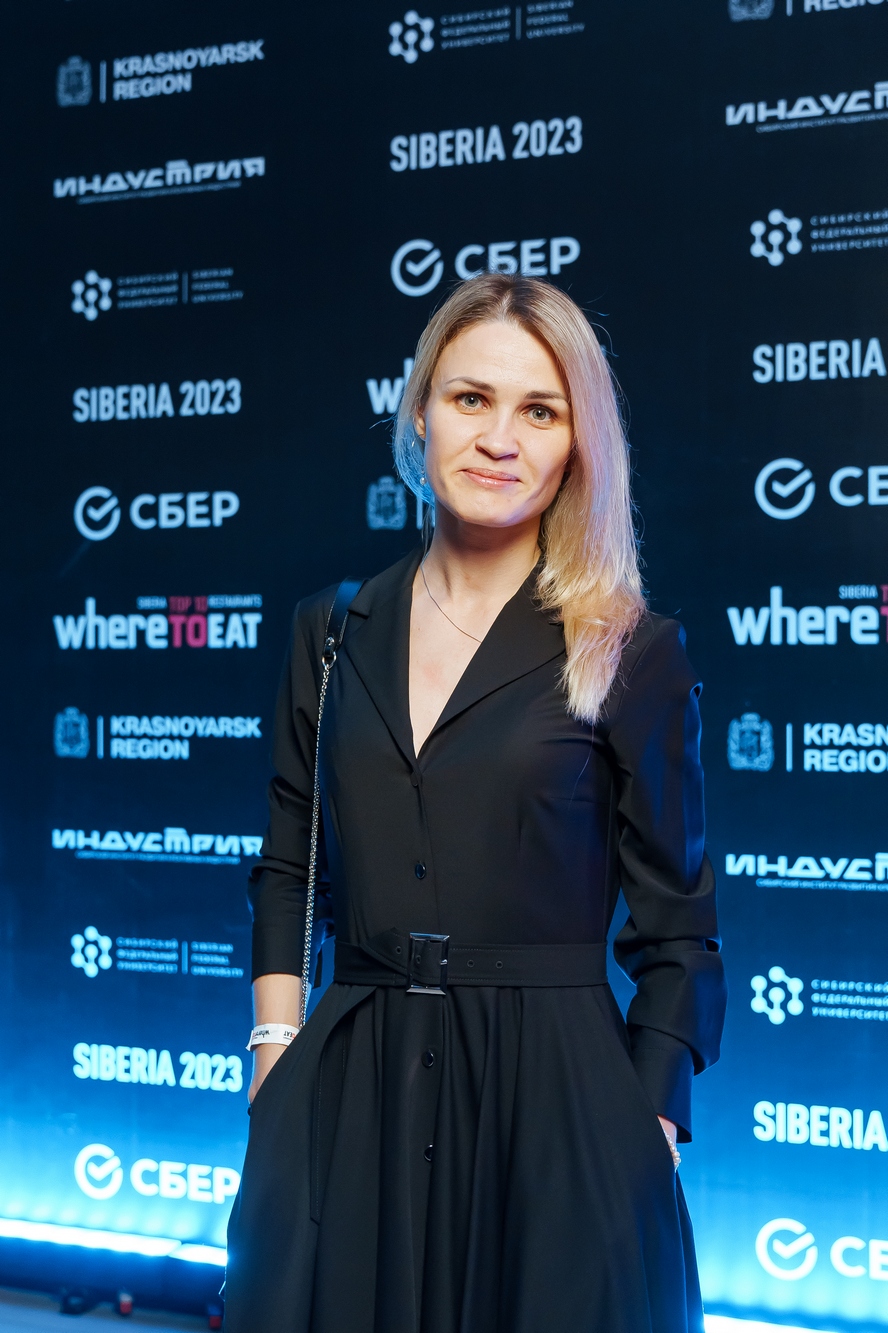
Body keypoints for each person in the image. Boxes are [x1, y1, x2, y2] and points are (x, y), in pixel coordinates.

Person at [224, 273, 727, 1333]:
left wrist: (647, 1128)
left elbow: (679, 928)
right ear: (420, 414)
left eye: (540, 411)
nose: (500, 438)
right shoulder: (330, 631)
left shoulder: (629, 649)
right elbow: (288, 862)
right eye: (471, 399)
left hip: (557, 1110)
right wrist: (274, 1057)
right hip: (350, 1088)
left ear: (577, 445)